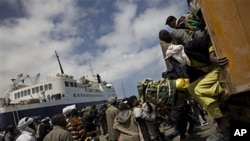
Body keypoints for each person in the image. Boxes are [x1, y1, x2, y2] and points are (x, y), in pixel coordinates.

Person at [160, 28, 230, 140]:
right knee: (192, 88)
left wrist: (212, 56)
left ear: (177, 55)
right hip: (211, 73)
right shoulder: (187, 65)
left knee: (199, 90)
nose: (173, 62)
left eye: (173, 60)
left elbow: (207, 38)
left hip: (216, 68)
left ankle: (221, 122)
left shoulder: (189, 48)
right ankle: (219, 98)